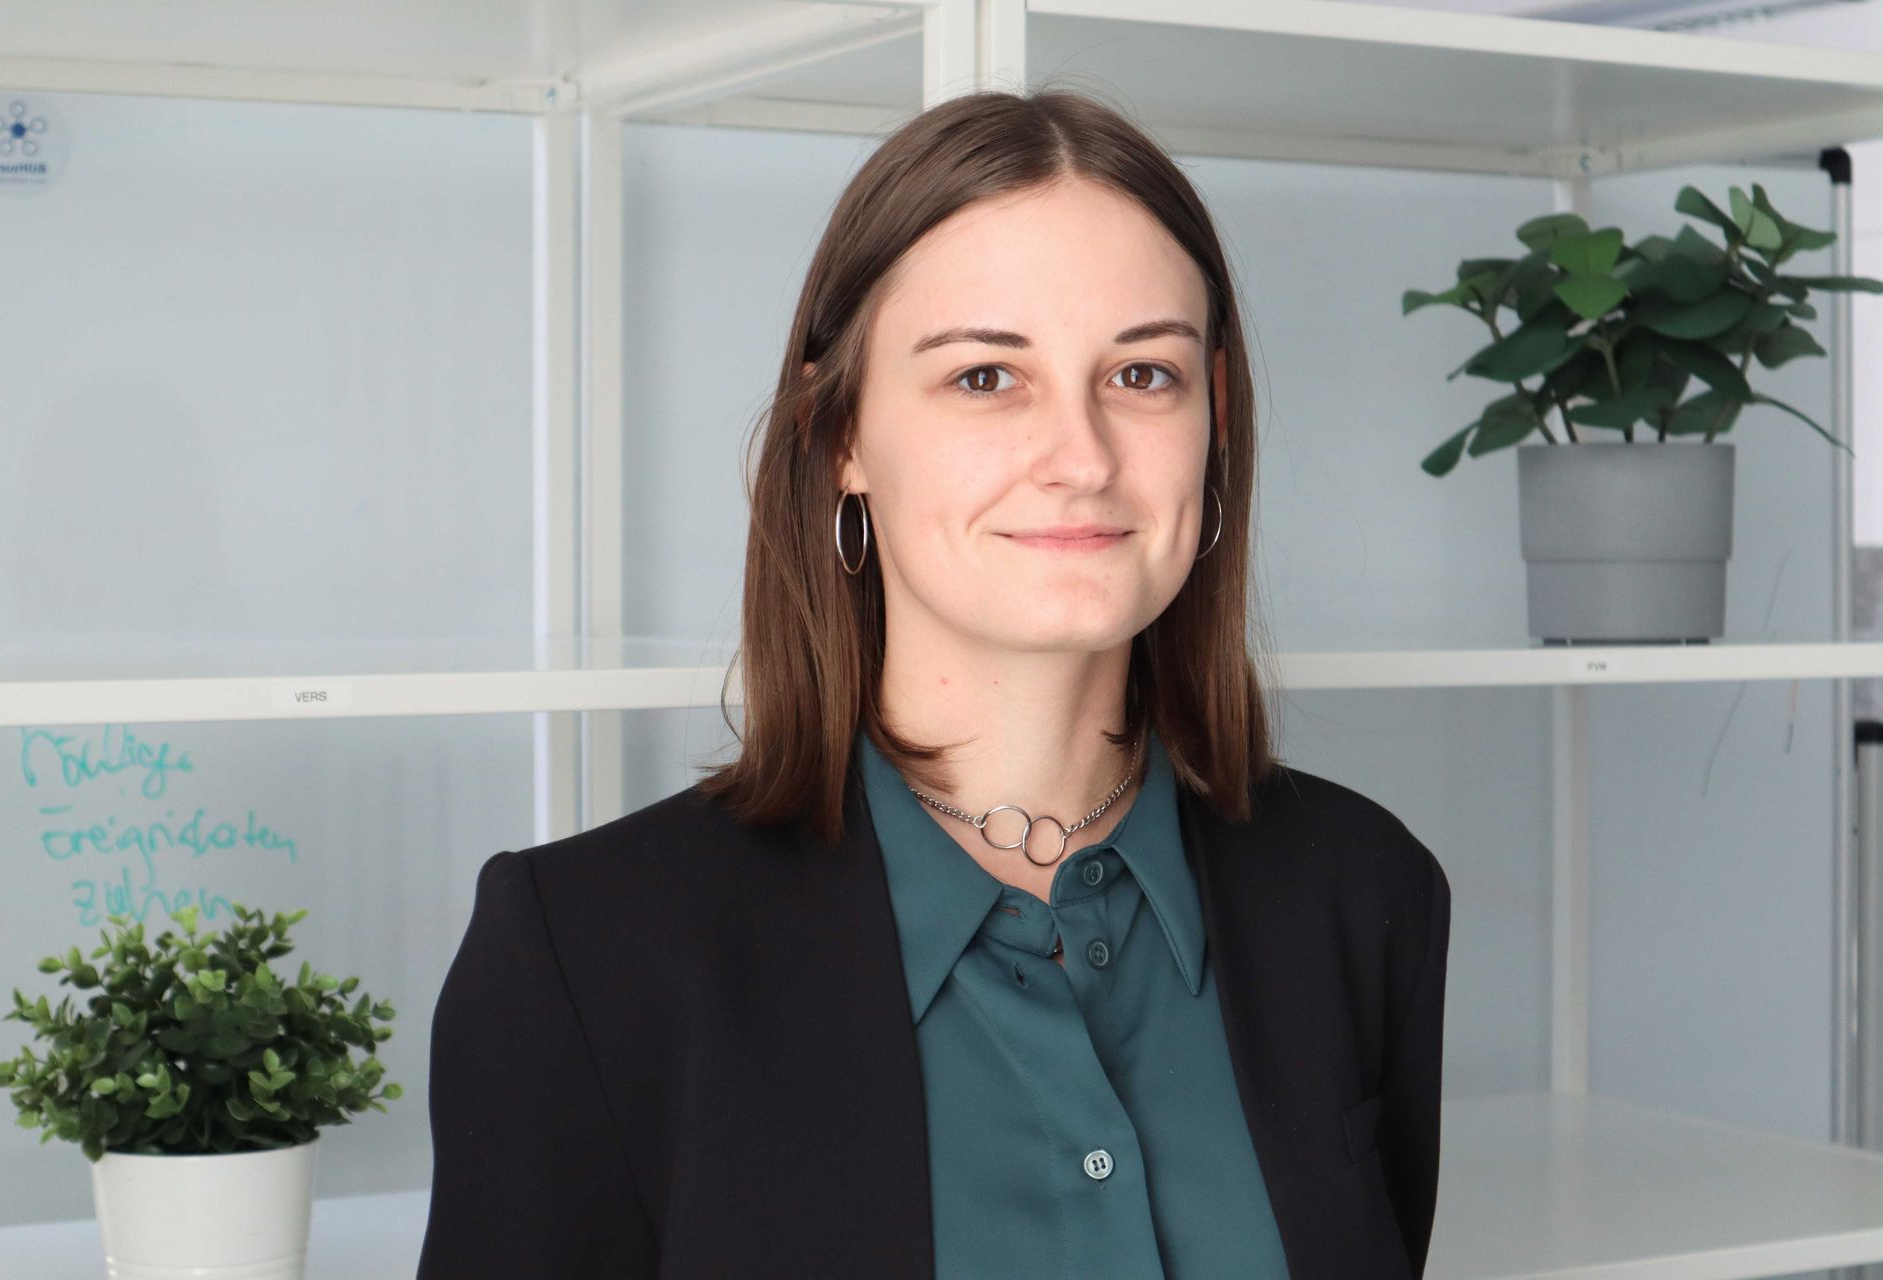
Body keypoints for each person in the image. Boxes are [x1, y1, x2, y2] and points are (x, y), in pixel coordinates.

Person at [416, 86, 1450, 1280]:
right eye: (985, 377)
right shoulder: (585, 957)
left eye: (1141, 374)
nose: (1082, 458)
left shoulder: (1366, 894)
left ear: (1214, 416)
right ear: (842, 434)